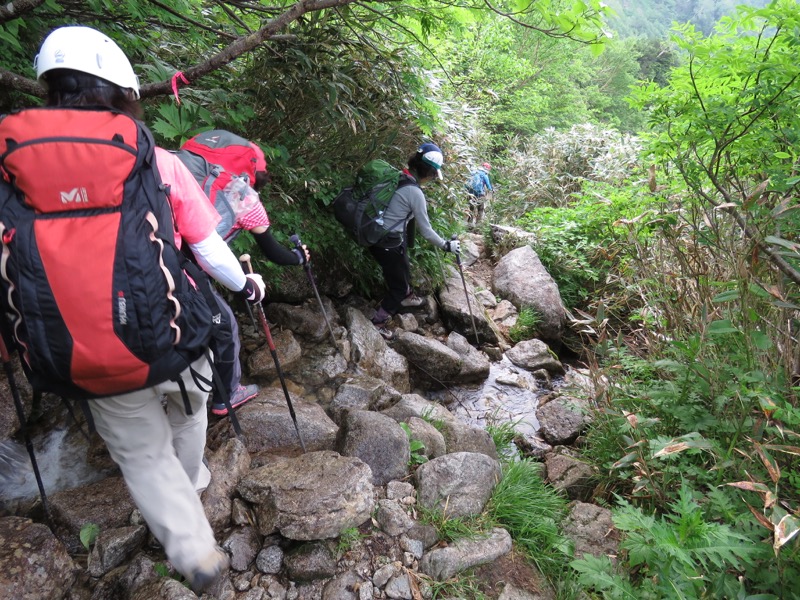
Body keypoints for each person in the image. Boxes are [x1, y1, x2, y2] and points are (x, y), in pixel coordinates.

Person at [26, 25, 267, 592]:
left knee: (139, 453)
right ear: (124, 92)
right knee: (188, 416)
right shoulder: (156, 161)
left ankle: (187, 544)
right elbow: (209, 251)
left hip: (80, 351)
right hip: (170, 337)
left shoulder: (14, 173)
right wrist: (246, 285)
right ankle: (193, 487)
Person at [176, 131, 310, 416]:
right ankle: (227, 395)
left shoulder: (176, 168)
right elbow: (273, 251)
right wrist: (299, 257)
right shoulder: (243, 196)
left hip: (143, 258)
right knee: (225, 327)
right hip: (184, 271)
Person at [369, 142, 460, 339]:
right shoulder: (415, 193)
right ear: (428, 171)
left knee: (403, 260)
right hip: (386, 242)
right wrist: (446, 245)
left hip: (379, 233)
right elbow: (426, 231)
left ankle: (408, 294)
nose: (434, 178)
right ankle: (378, 321)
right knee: (398, 288)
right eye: (434, 174)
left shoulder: (400, 175)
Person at [466, 161, 493, 227]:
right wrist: (491, 191)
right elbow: (488, 186)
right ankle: (478, 225)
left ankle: (469, 223)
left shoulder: (474, 172)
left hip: (470, 192)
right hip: (480, 193)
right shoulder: (484, 174)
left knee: (471, 207)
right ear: (487, 168)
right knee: (480, 208)